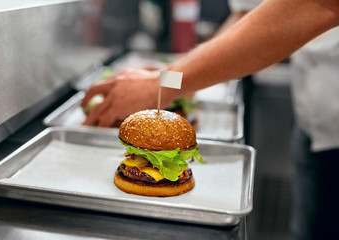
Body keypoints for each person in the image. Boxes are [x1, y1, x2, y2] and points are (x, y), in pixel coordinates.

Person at [81, 0, 339, 239]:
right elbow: (247, 14)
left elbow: (315, 6)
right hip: (316, 122)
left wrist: (162, 83)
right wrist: (175, 77)